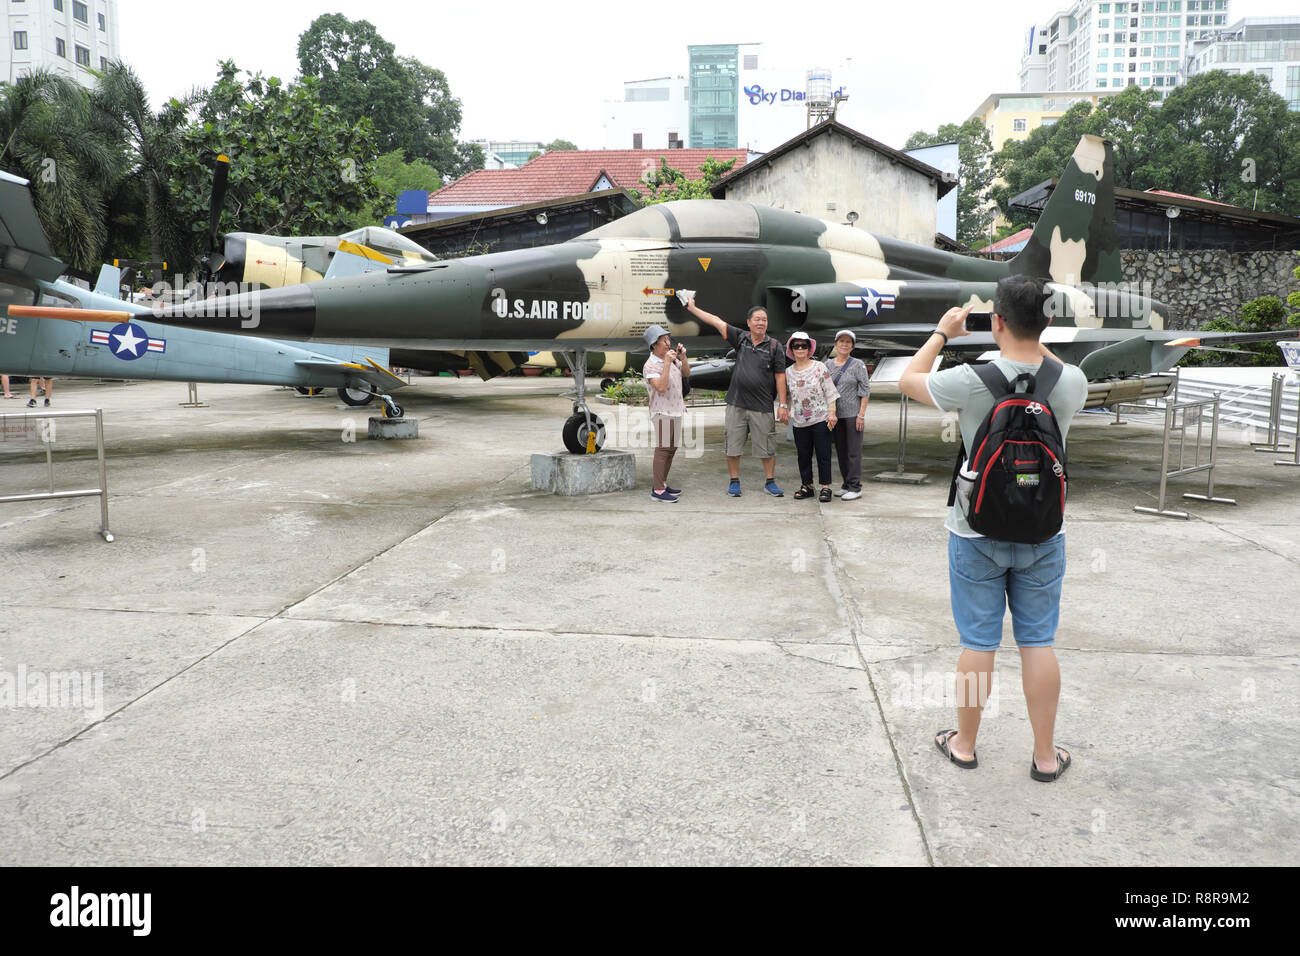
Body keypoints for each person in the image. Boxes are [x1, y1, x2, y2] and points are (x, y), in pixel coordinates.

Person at [897, 274, 1088, 783]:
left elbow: (908, 381)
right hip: (1045, 533)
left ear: (996, 321)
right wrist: (1031, 333)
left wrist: (942, 333)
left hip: (974, 531)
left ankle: (964, 746)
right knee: (1038, 642)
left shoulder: (969, 378)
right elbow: (1043, 363)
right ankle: (1045, 757)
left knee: (978, 644)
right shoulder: (1071, 381)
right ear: (1047, 322)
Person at [683, 297, 788, 497]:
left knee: (767, 447)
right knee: (733, 445)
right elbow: (715, 321)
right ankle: (734, 480)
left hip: (763, 405)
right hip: (736, 404)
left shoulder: (775, 347)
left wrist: (782, 404)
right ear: (748, 323)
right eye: (757, 319)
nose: (761, 323)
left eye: (764, 320)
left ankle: (770, 481)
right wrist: (693, 308)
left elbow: (780, 377)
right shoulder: (741, 338)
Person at [783, 331, 838, 501]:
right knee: (803, 455)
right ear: (791, 349)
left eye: (803, 346)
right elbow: (789, 395)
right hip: (799, 421)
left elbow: (830, 390)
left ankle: (825, 487)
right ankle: (807, 486)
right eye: (796, 346)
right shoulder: (788, 372)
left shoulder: (819, 367)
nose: (800, 349)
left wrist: (832, 412)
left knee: (823, 454)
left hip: (821, 418)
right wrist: (785, 411)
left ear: (809, 349)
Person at [641, 324, 689, 502]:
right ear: (654, 345)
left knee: (671, 448)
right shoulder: (650, 365)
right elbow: (660, 387)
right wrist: (667, 363)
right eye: (664, 341)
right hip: (662, 411)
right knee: (662, 449)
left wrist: (682, 358)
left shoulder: (672, 358)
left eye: (668, 339)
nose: (668, 343)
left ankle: (662, 483)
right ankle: (658, 490)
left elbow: (686, 373)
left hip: (676, 410)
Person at [824, 331, 871, 500]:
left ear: (852, 346)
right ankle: (846, 484)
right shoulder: (828, 365)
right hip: (834, 415)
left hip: (852, 415)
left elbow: (865, 390)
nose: (844, 344)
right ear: (836, 344)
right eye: (841, 341)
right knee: (841, 450)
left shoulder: (858, 365)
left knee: (853, 451)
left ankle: (855, 486)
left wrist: (861, 415)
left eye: (848, 342)